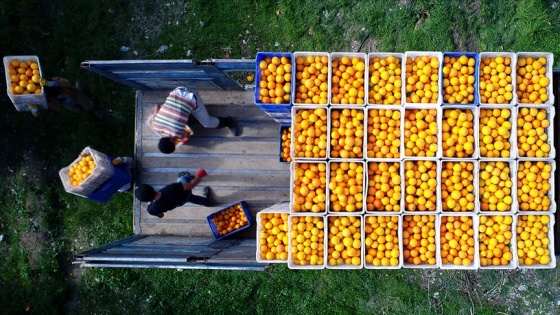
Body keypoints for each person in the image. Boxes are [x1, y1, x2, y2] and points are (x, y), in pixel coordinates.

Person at [149, 87, 239, 154]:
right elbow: (157, 106)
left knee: (207, 123)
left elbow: (187, 135)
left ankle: (229, 121)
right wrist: (155, 116)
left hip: (192, 97)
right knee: (179, 115)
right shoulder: (155, 125)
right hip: (177, 90)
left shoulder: (177, 134)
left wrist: (181, 138)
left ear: (172, 142)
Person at [134, 168, 212, 218]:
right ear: (151, 187)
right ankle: (188, 176)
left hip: (180, 202)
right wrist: (199, 175)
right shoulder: (172, 188)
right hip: (184, 193)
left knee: (192, 199)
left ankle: (208, 203)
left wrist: (151, 204)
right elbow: (191, 185)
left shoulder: (151, 210)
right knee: (182, 179)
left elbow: (161, 215)